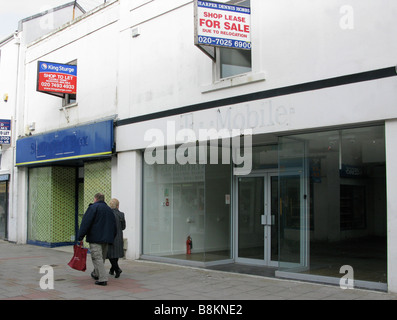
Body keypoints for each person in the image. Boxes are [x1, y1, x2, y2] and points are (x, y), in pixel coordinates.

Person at [78, 193, 117, 286]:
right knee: (101, 258)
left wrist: (80, 237)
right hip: (106, 239)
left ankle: (102, 278)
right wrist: (112, 237)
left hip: (95, 238)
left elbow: (85, 223)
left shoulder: (93, 208)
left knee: (97, 258)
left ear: (95, 199)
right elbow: (114, 226)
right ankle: (96, 273)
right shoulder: (109, 210)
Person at [107, 198, 126, 278]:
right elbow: (123, 227)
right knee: (116, 254)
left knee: (111, 254)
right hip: (118, 236)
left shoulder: (107, 214)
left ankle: (116, 269)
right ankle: (113, 269)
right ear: (118, 206)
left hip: (110, 236)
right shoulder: (121, 214)